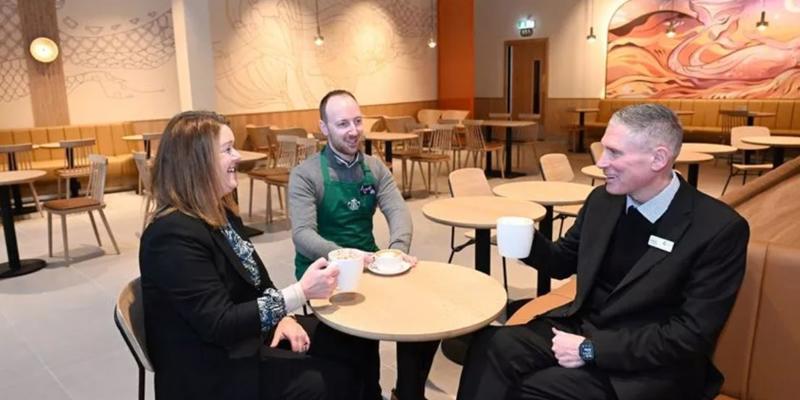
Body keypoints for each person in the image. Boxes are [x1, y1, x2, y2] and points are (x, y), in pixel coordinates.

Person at [457, 103, 749, 400]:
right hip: (583, 326)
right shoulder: (603, 200)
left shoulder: (718, 228)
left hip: (650, 364)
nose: (601, 162)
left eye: (615, 153)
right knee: (491, 344)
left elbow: (689, 336)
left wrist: (590, 349)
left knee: (531, 389)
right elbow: (562, 261)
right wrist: (526, 242)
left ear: (658, 158)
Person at [140, 110, 379, 400]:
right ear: (197, 162)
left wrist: (281, 318)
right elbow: (219, 324)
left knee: (356, 339)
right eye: (228, 149)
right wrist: (300, 292)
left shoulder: (220, 211)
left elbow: (258, 283)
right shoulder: (170, 236)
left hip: (243, 339)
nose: (238, 156)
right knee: (332, 381)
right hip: (209, 370)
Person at [288, 90, 439, 400]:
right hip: (323, 270)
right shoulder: (306, 174)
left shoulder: (375, 167)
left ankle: (408, 393)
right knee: (357, 341)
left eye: (357, 121)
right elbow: (302, 234)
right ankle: (368, 391)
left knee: (423, 314)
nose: (353, 130)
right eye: (342, 123)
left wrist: (397, 249)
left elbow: (397, 211)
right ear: (324, 128)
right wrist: (344, 256)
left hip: (370, 263)